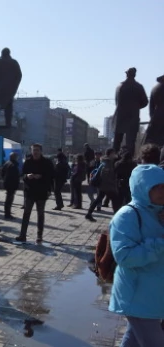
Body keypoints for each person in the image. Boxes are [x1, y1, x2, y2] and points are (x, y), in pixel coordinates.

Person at [109, 164, 164, 346]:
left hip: (152, 293)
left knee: (132, 340)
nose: (162, 191)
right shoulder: (127, 216)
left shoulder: (158, 213)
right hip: (137, 295)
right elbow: (125, 257)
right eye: (156, 187)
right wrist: (159, 244)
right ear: (142, 187)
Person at [17, 144, 54, 243]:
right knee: (26, 214)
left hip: (41, 192)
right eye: (34, 150)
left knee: (40, 214)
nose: (35, 152)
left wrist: (41, 177)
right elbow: (22, 175)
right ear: (31, 151)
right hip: (30, 191)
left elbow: (51, 176)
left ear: (41, 151)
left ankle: (39, 236)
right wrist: (27, 176)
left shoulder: (46, 162)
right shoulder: (28, 162)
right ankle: (22, 235)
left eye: (37, 150)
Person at [113, 67, 149, 155]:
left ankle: (113, 158)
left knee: (117, 140)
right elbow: (145, 102)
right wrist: (136, 107)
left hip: (120, 116)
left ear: (127, 74)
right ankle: (129, 159)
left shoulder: (119, 86)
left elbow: (116, 101)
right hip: (133, 116)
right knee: (131, 142)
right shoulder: (139, 87)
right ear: (134, 75)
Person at [85, 148, 122, 222]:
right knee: (115, 201)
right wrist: (112, 183)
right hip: (107, 186)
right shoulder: (107, 163)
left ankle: (89, 214)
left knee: (98, 199)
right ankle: (117, 218)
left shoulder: (108, 162)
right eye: (114, 153)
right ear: (110, 154)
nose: (115, 155)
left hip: (105, 186)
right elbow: (105, 176)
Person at [144, 74, 164, 147]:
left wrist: (152, 117)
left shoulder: (154, 88)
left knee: (153, 141)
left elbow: (151, 106)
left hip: (156, 117)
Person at [2, 152, 21, 218]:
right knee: (9, 199)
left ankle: (7, 212)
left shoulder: (7, 163)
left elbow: (2, 173)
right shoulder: (13, 165)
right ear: (15, 157)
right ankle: (7, 214)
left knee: (8, 199)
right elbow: (15, 177)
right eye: (16, 157)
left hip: (7, 183)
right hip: (11, 185)